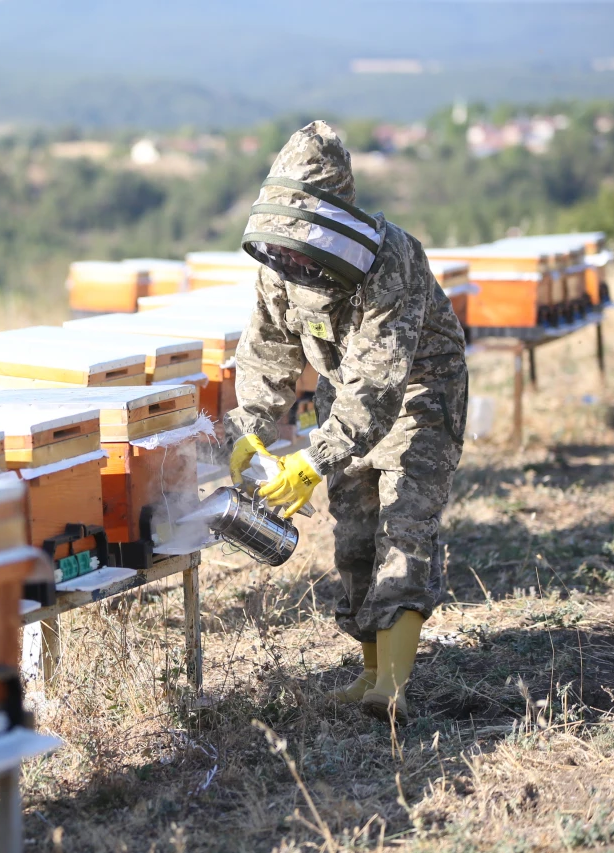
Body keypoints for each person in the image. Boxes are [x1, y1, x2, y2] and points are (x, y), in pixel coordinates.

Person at [225, 121, 468, 723]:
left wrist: (309, 460)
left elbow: (381, 383)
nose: (289, 257)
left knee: (405, 525)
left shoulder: (393, 259)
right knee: (355, 535)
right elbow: (267, 351)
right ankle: (367, 676)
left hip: (420, 391)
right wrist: (252, 420)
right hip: (344, 396)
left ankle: (394, 687)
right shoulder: (276, 268)